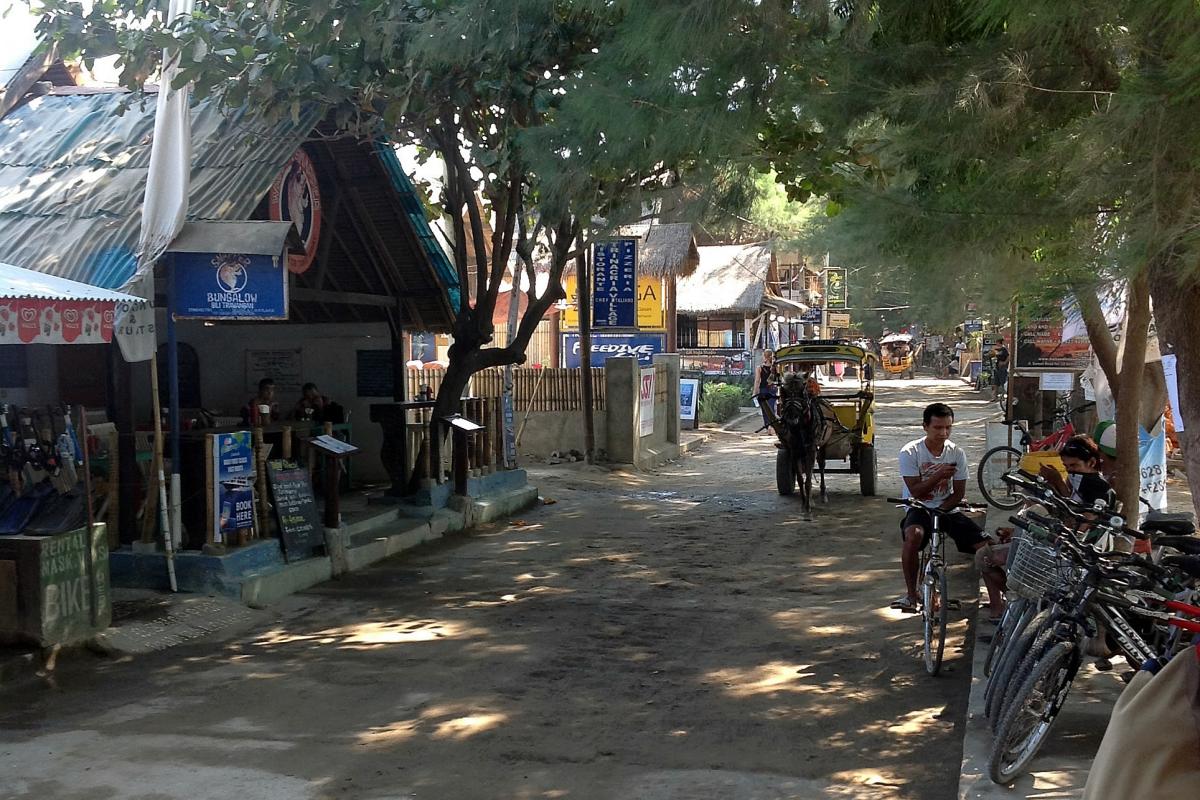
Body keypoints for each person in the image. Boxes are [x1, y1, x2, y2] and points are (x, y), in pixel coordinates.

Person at [893, 402, 1004, 619]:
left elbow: (958, 493)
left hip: (948, 509)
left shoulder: (956, 453)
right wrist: (939, 475)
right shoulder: (910, 452)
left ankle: (997, 604)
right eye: (938, 428)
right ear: (925, 426)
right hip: (919, 508)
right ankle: (911, 595)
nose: (943, 433)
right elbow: (915, 491)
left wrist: (941, 510)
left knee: (987, 549)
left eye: (948, 428)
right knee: (913, 536)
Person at [1038, 435, 1114, 510]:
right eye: (1066, 466)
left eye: (1074, 465)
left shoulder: (1099, 487)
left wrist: (1058, 481)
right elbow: (1070, 498)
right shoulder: (1075, 477)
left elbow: (1083, 513)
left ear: (1091, 462)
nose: (1069, 469)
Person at [752, 350, 780, 432]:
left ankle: (768, 426)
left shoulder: (759, 368)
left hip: (763, 389)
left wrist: (755, 392)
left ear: (764, 357)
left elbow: (757, 381)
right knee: (771, 408)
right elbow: (778, 379)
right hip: (773, 389)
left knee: (765, 409)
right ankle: (772, 426)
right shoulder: (776, 367)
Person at [991, 336, 1010, 401]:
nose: (996, 344)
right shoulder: (996, 349)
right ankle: (995, 397)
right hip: (996, 367)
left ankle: (1003, 396)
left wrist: (1004, 362)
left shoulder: (1004, 349)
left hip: (1002, 367)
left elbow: (1008, 356)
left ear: (999, 343)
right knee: (996, 383)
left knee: (1003, 382)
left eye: (997, 342)